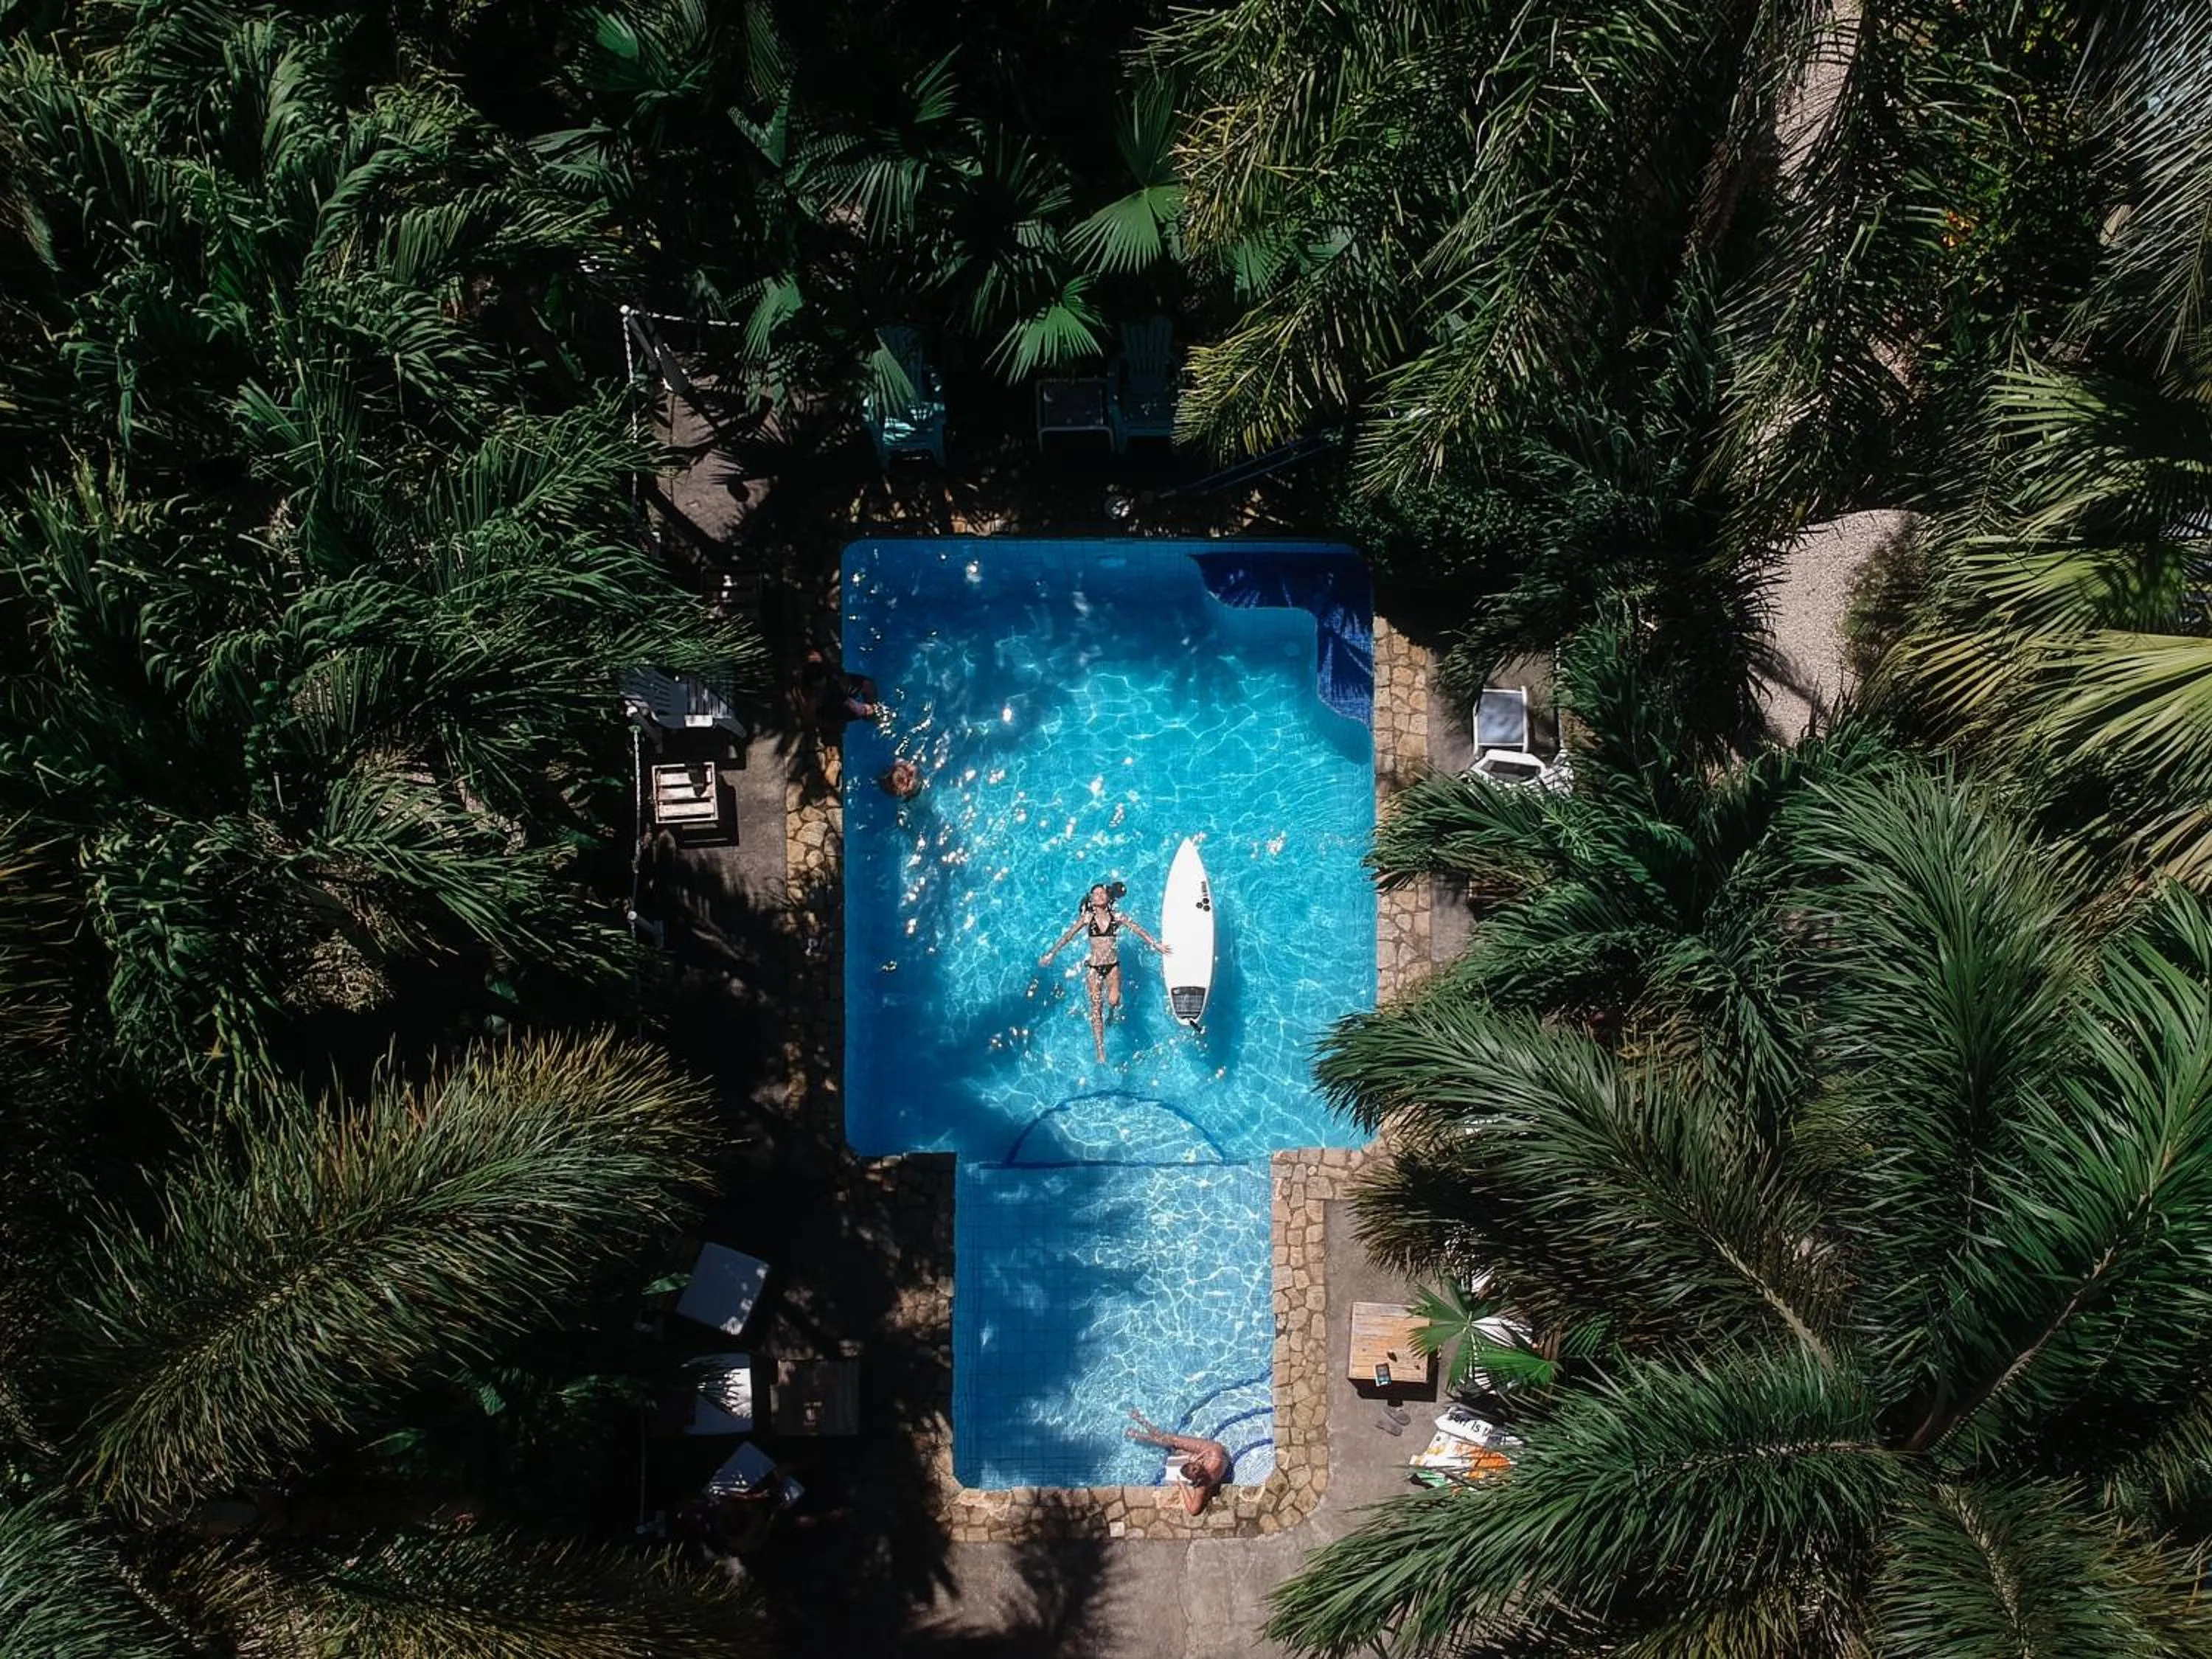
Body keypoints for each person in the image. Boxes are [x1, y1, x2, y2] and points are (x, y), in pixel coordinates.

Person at [1040, 881, 1164, 1063]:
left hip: (1113, 966)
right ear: (1091, 899)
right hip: (1094, 968)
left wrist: (1155, 944)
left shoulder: (1118, 917)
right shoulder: (1087, 919)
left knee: (1113, 1000)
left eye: (1101, 893)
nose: (1098, 895)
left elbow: (1138, 930)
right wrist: (1052, 953)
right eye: (1095, 894)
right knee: (1096, 1008)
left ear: (1108, 898)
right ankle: (1100, 1051)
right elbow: (1068, 936)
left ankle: (1112, 1014)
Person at [1124, 1410, 1231, 1515]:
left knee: (1172, 1443)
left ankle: (1140, 1427)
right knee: (1171, 1441)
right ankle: (1140, 1427)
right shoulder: (1207, 1474)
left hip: (1214, 1456)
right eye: (1195, 1468)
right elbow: (1217, 1449)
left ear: (1193, 1480)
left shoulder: (1202, 1486)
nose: (1196, 1469)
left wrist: (1182, 1486)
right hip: (1213, 1453)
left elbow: (1193, 1511)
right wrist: (1200, 1455)